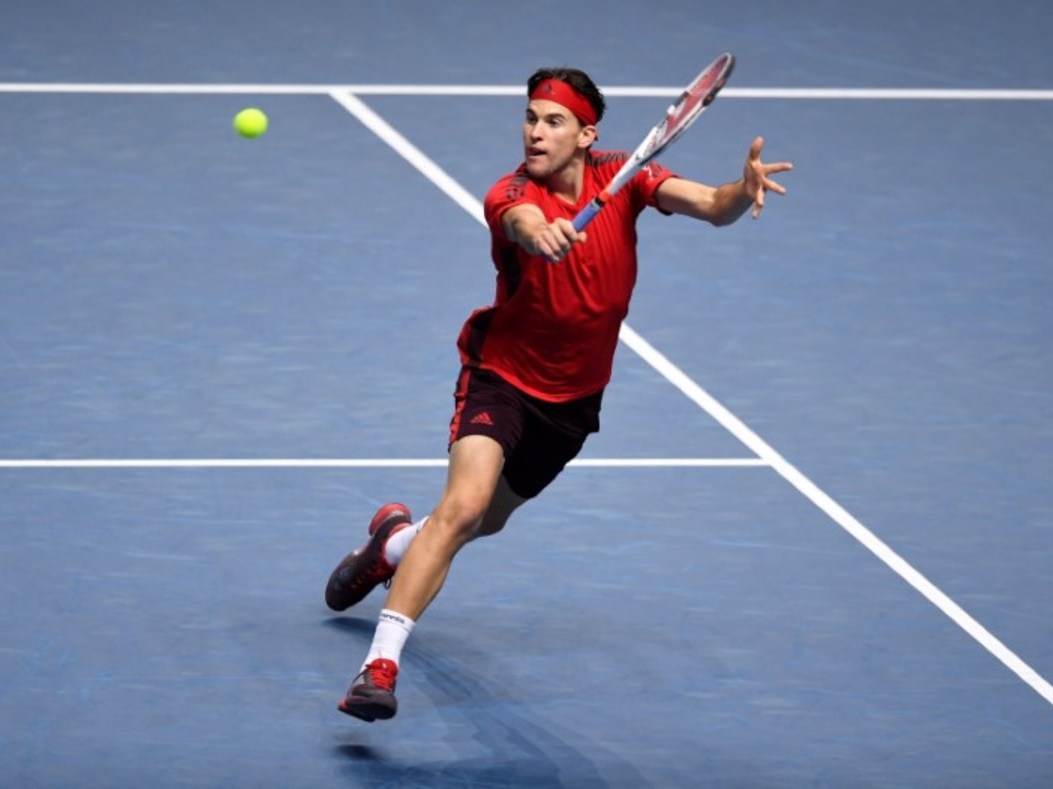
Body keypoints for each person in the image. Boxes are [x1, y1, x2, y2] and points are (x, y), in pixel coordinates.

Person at [325, 66, 793, 722]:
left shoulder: (626, 176)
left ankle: (393, 545)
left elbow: (714, 206)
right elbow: (518, 220)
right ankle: (378, 668)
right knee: (463, 507)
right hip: (501, 377)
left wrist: (743, 190)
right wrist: (539, 231)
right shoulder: (513, 192)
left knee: (482, 523)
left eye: (553, 121)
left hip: (573, 403)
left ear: (586, 135)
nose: (535, 132)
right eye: (530, 117)